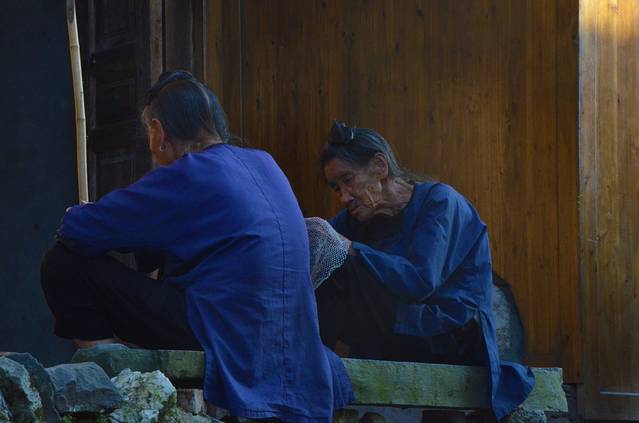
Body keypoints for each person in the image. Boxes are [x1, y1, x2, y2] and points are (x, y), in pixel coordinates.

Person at [40, 72, 353, 422]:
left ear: (159, 131)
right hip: (287, 337)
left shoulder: (191, 172)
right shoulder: (265, 163)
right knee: (154, 247)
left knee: (63, 262)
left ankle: (112, 389)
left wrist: (77, 212)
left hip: (224, 332)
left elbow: (78, 230)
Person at [309, 121, 534, 420]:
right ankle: (307, 369)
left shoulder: (441, 202)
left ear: (380, 167)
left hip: (448, 334)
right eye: (337, 188)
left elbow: (419, 281)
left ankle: (309, 372)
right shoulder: (355, 219)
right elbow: (321, 245)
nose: (344, 197)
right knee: (321, 251)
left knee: (345, 260)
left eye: (348, 180)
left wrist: (350, 249)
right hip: (397, 331)